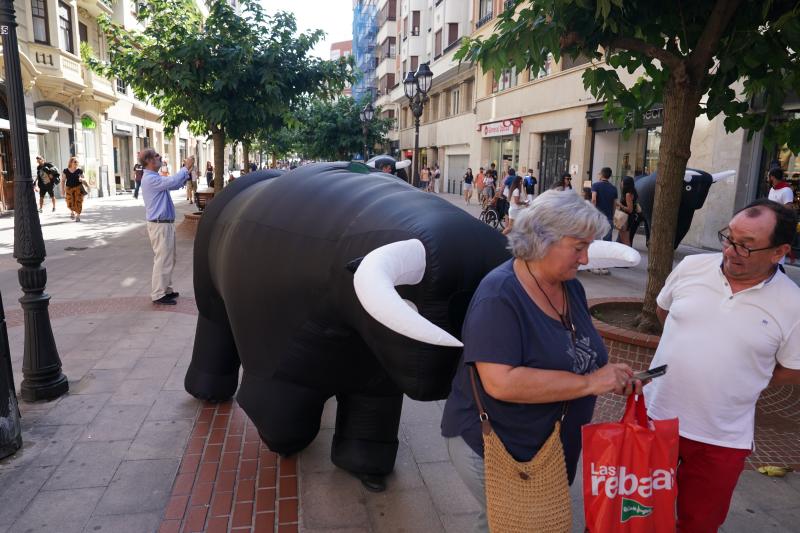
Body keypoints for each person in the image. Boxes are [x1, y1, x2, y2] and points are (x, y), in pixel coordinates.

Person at [441, 190, 639, 532]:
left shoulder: (569, 286)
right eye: (579, 248)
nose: (586, 259)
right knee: (517, 524)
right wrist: (592, 383)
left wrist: (612, 374)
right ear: (541, 240)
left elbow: (579, 348)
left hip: (545, 449)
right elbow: (501, 382)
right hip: (500, 447)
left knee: (499, 522)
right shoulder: (499, 296)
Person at [645, 199, 800, 533]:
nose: (731, 251)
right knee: (635, 516)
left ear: (779, 252)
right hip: (656, 419)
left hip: (722, 439)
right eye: (729, 238)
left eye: (746, 246)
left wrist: (746, 378)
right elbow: (665, 314)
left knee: (699, 524)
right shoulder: (691, 268)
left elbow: (793, 368)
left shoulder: (793, 303)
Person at [140, 149, 194, 305]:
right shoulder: (150, 179)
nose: (160, 157)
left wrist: (186, 170)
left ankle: (166, 289)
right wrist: (186, 167)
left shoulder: (153, 177)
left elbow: (175, 185)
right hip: (160, 225)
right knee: (163, 259)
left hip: (163, 224)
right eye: (157, 156)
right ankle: (158, 294)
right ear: (150, 160)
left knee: (169, 258)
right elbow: (172, 182)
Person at [616, 176, 638, 246]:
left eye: (622, 181)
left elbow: (630, 209)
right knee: (621, 238)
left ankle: (629, 255)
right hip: (626, 217)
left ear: (626, 184)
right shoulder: (632, 192)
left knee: (625, 240)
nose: (621, 183)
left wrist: (620, 205)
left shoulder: (628, 194)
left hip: (625, 218)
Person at [62, 157, 85, 222]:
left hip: (78, 188)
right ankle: (72, 211)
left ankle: (78, 215)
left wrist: (82, 179)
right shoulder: (65, 171)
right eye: (75, 162)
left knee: (78, 201)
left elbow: (84, 178)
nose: (76, 163)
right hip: (69, 188)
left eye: (77, 162)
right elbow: (63, 181)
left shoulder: (80, 170)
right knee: (69, 201)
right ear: (71, 162)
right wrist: (63, 190)